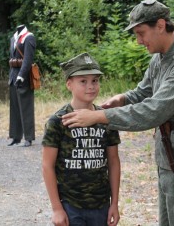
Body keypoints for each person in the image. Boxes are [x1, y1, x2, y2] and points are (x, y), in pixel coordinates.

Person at [62, 0, 174, 226]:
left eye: (141, 33)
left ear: (161, 25)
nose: (138, 41)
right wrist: (123, 98)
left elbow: (153, 111)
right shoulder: (160, 56)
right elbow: (144, 91)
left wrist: (98, 117)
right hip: (171, 157)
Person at [42, 52, 121, 226]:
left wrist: (114, 203)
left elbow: (114, 162)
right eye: (83, 81)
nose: (91, 86)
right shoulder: (58, 121)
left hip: (101, 205)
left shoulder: (105, 118)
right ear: (69, 84)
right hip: (70, 206)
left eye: (95, 80)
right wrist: (56, 208)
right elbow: (47, 165)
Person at [8, 24, 36, 147]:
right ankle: (16, 136)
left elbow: (28, 59)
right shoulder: (13, 38)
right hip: (13, 76)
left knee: (26, 107)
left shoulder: (28, 37)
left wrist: (21, 75)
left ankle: (28, 137)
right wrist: (12, 76)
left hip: (23, 76)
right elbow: (11, 57)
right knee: (14, 107)